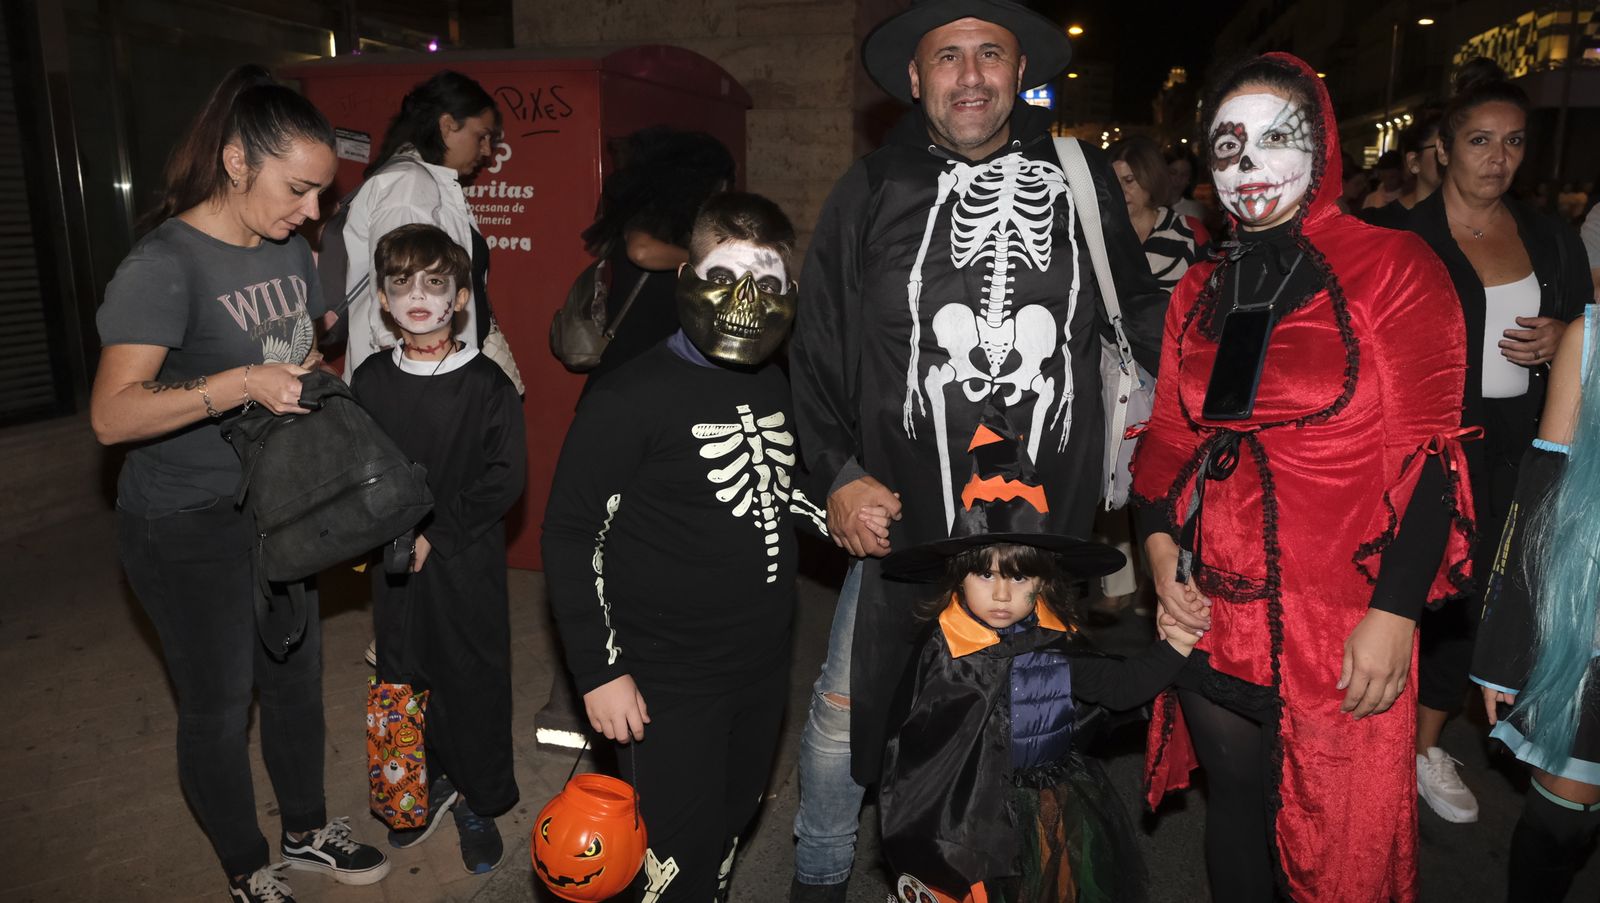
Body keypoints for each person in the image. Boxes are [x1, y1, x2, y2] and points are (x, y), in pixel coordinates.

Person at [786, 2, 1167, 899]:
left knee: (1029, 719)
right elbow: (818, 342)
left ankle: (1004, 878)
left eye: (989, 54)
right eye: (947, 56)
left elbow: (1144, 319)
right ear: (915, 77)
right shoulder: (872, 186)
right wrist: (838, 472)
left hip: (1040, 523)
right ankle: (820, 872)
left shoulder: (1078, 179)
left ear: (1019, 69)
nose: (969, 75)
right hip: (906, 511)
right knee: (850, 707)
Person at [1137, 53, 1476, 903]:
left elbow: (1432, 458)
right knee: (1235, 810)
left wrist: (1395, 612)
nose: (1248, 163)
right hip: (1217, 613)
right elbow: (1168, 444)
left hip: (1340, 625)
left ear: (1322, 147)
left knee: (1336, 849)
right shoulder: (1199, 287)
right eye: (1228, 144)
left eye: (1274, 138)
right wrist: (1158, 558)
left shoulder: (1393, 266)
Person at [89, 65, 390, 903]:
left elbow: (300, 347)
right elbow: (111, 414)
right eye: (298, 189)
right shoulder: (164, 265)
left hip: (276, 504)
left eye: (323, 192)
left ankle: (305, 830)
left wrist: (310, 377)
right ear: (235, 162)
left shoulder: (289, 246)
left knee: (293, 678)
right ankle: (244, 865)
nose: (314, 212)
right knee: (219, 705)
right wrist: (240, 384)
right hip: (184, 521)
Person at [542, 192, 830, 902]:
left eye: (766, 282)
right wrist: (599, 671)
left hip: (760, 666)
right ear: (686, 279)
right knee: (670, 851)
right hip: (665, 678)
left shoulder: (771, 382)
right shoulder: (629, 397)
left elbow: (776, 489)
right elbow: (572, 533)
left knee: (730, 822)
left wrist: (844, 514)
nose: (744, 301)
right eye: (724, 276)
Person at [875, 415, 1199, 903]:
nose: (1002, 594)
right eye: (986, 575)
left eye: (1020, 577)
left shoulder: (1051, 645)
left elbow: (1119, 688)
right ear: (958, 576)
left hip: (1047, 809)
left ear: (1043, 582)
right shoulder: (944, 650)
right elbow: (913, 755)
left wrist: (1177, 645)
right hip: (965, 824)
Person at [1391, 59, 1591, 826]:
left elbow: (1585, 331)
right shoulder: (1401, 238)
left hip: (1523, 444)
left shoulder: (1548, 236)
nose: (1498, 158)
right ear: (1444, 148)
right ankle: (1392, 738)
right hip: (1428, 446)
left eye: (1513, 142)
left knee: (1496, 595)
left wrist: (1562, 338)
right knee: (1424, 591)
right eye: (1480, 140)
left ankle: (1425, 744)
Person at [350, 223, 526, 873]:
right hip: (394, 564)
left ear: (460, 298)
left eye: (434, 283)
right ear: (384, 301)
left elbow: (505, 476)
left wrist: (438, 534)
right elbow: (356, 466)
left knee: (469, 677)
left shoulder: (486, 385)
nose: (418, 296)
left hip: (464, 560)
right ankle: (418, 789)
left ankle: (478, 798)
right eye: (402, 284)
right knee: (400, 673)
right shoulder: (370, 379)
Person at [1472, 307, 1600, 902]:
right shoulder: (1591, 338)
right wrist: (1504, 651)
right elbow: (1541, 498)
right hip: (1588, 621)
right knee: (1560, 825)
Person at [337, 71, 507, 380]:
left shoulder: (428, 182)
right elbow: (404, 297)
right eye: (481, 136)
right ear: (447, 125)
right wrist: (420, 386)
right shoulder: (410, 187)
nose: (486, 151)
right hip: (420, 382)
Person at [578, 126, 736, 385]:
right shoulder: (652, 211)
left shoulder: (680, 220)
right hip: (632, 357)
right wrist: (707, 260)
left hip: (656, 356)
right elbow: (641, 251)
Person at [1359, 106, 1444, 227]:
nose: (1450, 157)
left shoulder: (1469, 226)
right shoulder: (1377, 224)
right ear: (1413, 162)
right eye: (1442, 148)